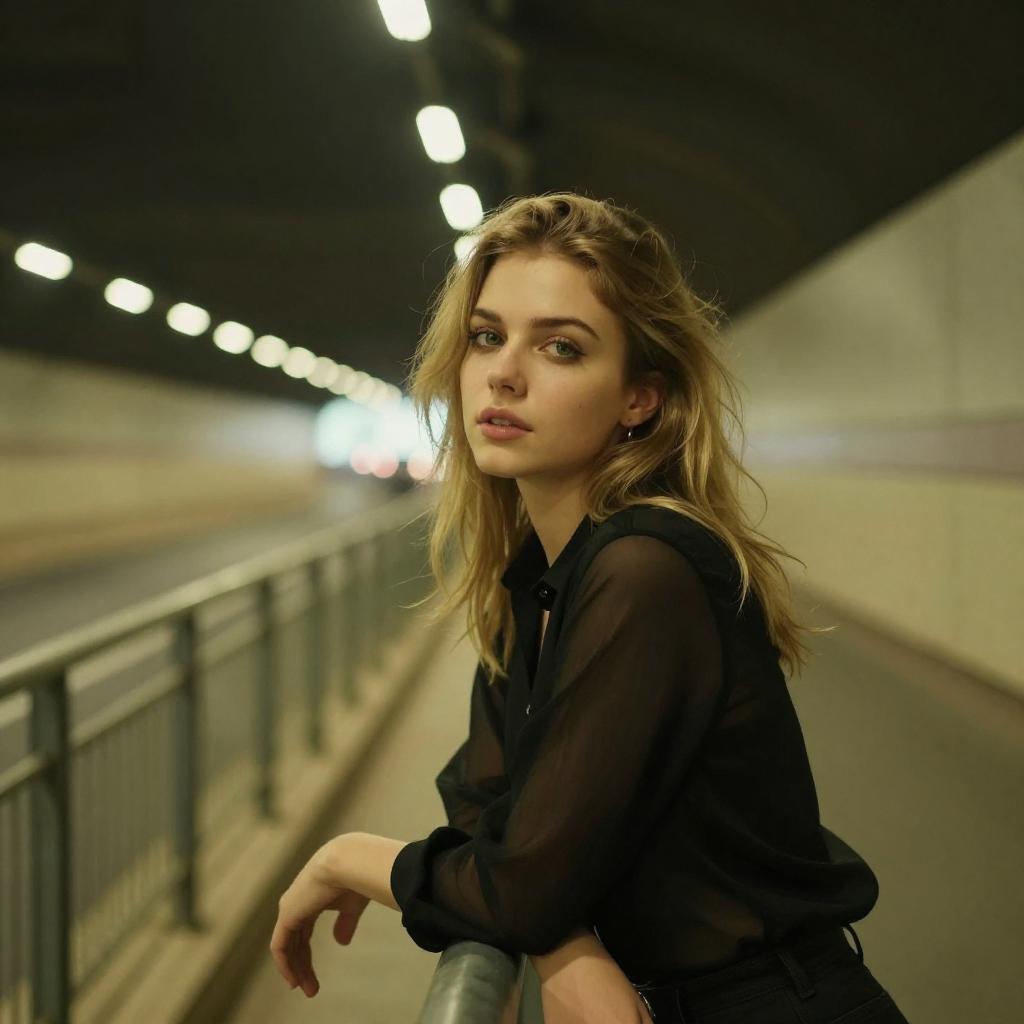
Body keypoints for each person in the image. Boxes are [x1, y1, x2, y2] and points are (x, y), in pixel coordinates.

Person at [270, 192, 910, 1023]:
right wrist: (561, 943)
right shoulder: (538, 574)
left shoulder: (646, 570)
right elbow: (488, 803)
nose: (504, 372)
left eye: (561, 348)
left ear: (639, 398)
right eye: (486, 336)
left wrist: (349, 857)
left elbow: (520, 878)